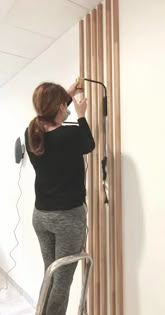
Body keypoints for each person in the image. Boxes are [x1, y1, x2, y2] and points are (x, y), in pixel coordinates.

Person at [24, 81, 95, 315]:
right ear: (59, 108)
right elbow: (89, 144)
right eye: (64, 106)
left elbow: (51, 117)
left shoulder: (31, 132)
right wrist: (82, 114)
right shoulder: (71, 134)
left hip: (41, 217)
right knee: (62, 283)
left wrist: (67, 94)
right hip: (67, 219)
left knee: (51, 273)